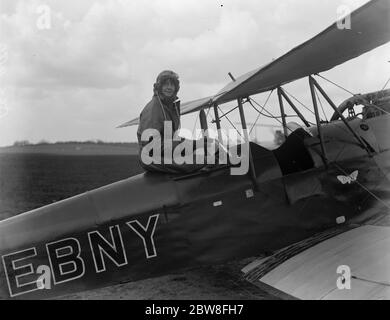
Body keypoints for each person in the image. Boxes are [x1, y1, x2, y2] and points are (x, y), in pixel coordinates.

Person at [137, 70, 209, 174]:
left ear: (176, 88)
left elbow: (172, 138)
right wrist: (193, 145)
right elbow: (152, 146)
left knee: (203, 154)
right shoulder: (154, 109)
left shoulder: (169, 107)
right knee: (203, 161)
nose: (169, 87)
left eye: (172, 84)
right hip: (152, 158)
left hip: (164, 153)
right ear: (158, 87)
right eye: (165, 84)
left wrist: (198, 143)